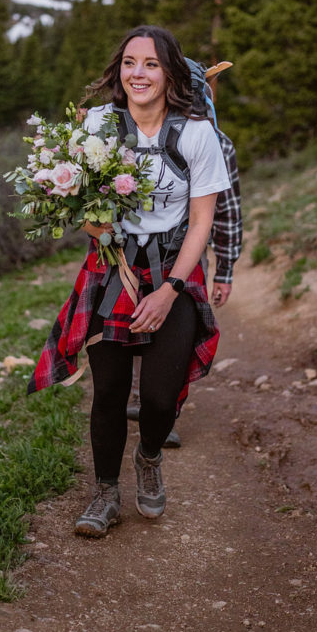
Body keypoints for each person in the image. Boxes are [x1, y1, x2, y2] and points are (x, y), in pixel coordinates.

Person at [27, 25, 229, 537]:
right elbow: (77, 207)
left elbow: (202, 221)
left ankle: (150, 455)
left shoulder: (196, 133)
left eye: (152, 64)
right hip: (111, 265)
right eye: (130, 63)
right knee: (110, 390)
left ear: (170, 73)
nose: (139, 73)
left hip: (172, 267)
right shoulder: (96, 124)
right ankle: (105, 494)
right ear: (120, 70)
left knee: (161, 398)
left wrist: (170, 290)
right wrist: (97, 229)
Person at [127, 125, 242, 445]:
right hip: (131, 250)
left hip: (187, 254)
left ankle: (166, 410)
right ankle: (140, 396)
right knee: (134, 319)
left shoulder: (216, 142)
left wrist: (225, 269)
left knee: (178, 329)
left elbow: (227, 210)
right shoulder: (130, 130)